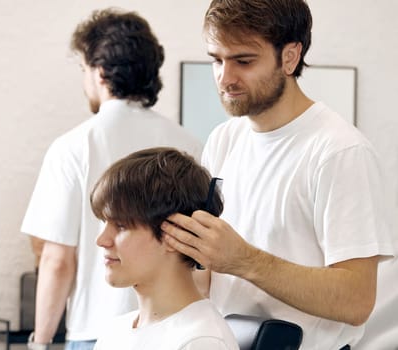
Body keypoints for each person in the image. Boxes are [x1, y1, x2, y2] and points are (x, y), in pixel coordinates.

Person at [160, 0, 397, 349]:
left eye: (243, 60)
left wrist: (243, 259)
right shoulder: (224, 139)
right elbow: (205, 279)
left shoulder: (340, 152)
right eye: (216, 59)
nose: (225, 78)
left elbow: (356, 301)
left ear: (290, 56)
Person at [21, 8, 202, 350]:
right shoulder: (189, 145)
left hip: (96, 331)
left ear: (100, 71)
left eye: (83, 69)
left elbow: (57, 260)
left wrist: (40, 343)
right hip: (175, 329)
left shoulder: (73, 146)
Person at [91, 147, 239, 350]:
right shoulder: (115, 332)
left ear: (176, 232)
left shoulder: (200, 341)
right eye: (104, 223)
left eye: (121, 226)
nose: (101, 240)